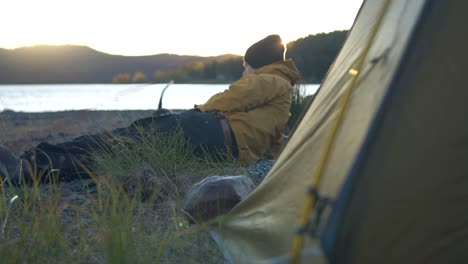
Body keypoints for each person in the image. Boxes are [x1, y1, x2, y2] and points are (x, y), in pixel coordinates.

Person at [0, 34, 301, 184]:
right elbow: (274, 143)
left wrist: (200, 110)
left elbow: (233, 97)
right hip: (218, 142)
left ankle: (29, 166)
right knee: (125, 146)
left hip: (208, 131)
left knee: (121, 141)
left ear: (258, 65)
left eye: (245, 66)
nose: (244, 72)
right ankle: (32, 166)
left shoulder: (270, 79)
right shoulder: (282, 93)